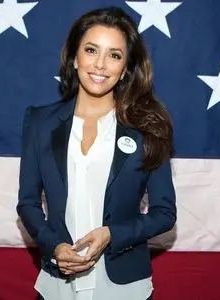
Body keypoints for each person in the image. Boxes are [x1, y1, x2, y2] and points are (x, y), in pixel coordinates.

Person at [17, 6, 176, 300]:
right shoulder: (39, 122)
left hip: (125, 288)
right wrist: (55, 247)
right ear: (74, 58)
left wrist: (112, 234)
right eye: (91, 50)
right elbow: (27, 203)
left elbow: (164, 214)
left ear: (126, 68)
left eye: (114, 55)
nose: (101, 64)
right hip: (57, 286)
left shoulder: (149, 129)